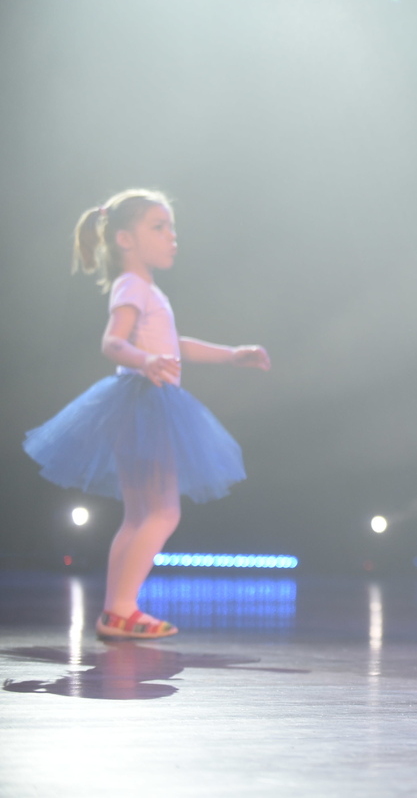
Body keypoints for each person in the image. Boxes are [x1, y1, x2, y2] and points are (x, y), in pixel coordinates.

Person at [24, 190, 270, 640]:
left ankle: (115, 611)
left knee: (140, 516)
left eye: (171, 227)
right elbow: (112, 342)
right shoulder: (133, 286)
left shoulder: (146, 289)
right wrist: (145, 360)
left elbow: (176, 345)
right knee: (162, 513)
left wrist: (232, 354)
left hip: (140, 406)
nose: (171, 236)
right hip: (145, 403)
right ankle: (121, 609)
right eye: (159, 227)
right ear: (125, 239)